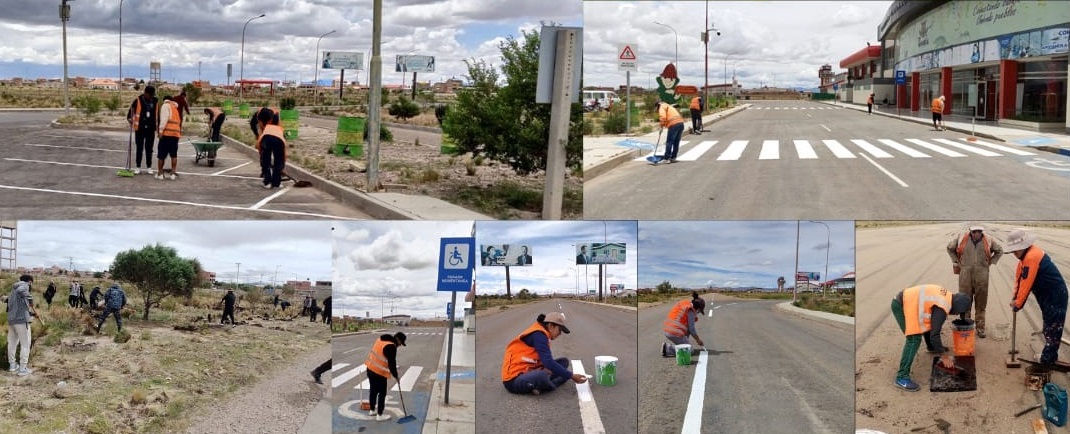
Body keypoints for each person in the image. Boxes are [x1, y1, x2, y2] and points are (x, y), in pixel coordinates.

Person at [890, 284, 972, 392]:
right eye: (958, 312)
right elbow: (935, 335)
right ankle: (901, 377)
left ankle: (931, 347)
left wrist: (936, 347)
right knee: (914, 339)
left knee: (929, 324)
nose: (956, 314)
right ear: (958, 307)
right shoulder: (943, 306)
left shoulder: (947, 296)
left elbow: (932, 325)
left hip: (907, 301)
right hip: (901, 304)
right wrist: (944, 356)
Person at [1007, 228, 1068, 366]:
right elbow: (1019, 280)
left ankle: (1047, 361)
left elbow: (1027, 284)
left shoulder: (1031, 257)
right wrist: (1014, 298)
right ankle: (1050, 356)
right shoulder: (1023, 259)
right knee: (1048, 325)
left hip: (1056, 295)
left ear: (1024, 246)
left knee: (1053, 328)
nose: (1014, 253)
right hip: (1046, 295)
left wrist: (1018, 304)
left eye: (1016, 249)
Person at [501, 312, 587, 395]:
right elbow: (548, 362)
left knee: (564, 362)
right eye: (560, 330)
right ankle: (548, 386)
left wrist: (551, 369)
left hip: (530, 370)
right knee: (543, 375)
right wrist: (571, 376)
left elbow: (546, 362)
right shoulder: (538, 335)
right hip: (514, 379)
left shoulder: (542, 333)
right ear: (551, 326)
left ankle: (541, 385)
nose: (560, 334)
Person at [946, 225, 1003, 338]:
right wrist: (956, 261)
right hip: (965, 275)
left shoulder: (989, 240)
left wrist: (990, 262)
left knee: (981, 303)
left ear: (982, 231)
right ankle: (966, 326)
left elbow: (999, 251)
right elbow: (949, 248)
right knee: (964, 301)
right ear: (970, 231)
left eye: (979, 231)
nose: (976, 233)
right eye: (974, 231)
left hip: (982, 275)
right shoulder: (961, 238)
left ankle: (980, 328)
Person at [365, 332, 407, 421]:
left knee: (373, 391)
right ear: (398, 339)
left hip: (370, 368)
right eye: (400, 343)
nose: (399, 345)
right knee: (382, 393)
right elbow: (392, 363)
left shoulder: (380, 339)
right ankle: (380, 415)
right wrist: (396, 376)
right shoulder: (391, 346)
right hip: (379, 373)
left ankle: (372, 410)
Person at [7, 275, 39, 376]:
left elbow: (19, 307)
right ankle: (22, 369)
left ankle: (12, 365)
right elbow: (23, 290)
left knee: (12, 344)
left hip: (12, 321)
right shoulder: (23, 286)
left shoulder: (13, 292)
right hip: (21, 321)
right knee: (25, 344)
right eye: (31, 284)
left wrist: (32, 314)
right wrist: (30, 299)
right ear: (29, 282)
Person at [126, 85, 158, 175]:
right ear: (145, 93)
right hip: (140, 129)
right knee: (139, 148)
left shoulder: (155, 101)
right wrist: (129, 119)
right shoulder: (137, 101)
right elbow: (130, 113)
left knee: (149, 149)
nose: (151, 96)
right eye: (150, 95)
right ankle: (138, 167)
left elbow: (157, 114)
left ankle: (149, 167)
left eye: (152, 95)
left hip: (151, 129)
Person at [256, 109, 287, 189]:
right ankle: (277, 183)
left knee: (266, 161)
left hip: (267, 139)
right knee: (278, 161)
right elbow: (283, 152)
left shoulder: (265, 131)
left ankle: (267, 182)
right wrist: (282, 164)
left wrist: (262, 157)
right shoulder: (279, 128)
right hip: (279, 140)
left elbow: (259, 145)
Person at [156, 95, 182, 180]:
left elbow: (164, 119)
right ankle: (173, 174)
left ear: (165, 100)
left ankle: (160, 173)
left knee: (161, 155)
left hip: (167, 134)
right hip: (175, 134)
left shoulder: (165, 106)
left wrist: (160, 131)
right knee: (173, 155)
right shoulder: (175, 108)